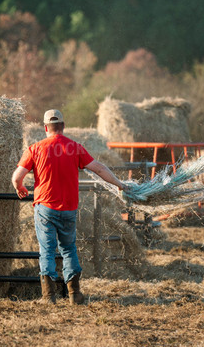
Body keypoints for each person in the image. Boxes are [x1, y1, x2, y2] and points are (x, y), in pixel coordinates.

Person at [12, 109, 126, 305]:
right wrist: (119, 184)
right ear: (63, 127)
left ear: (46, 128)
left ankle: (49, 296)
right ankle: (75, 294)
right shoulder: (75, 148)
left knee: (47, 250)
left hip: (45, 207)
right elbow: (99, 168)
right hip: (69, 208)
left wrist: (20, 187)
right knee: (68, 248)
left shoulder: (35, 149)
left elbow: (17, 177)